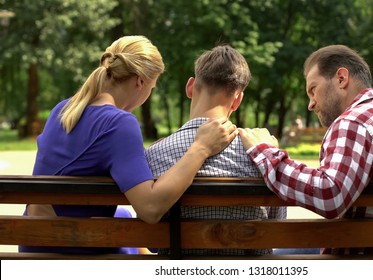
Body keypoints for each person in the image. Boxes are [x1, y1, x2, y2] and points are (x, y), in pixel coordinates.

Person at [20, 36, 238, 254]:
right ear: (140, 82)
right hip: (69, 250)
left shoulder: (63, 109)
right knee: (133, 230)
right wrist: (201, 147)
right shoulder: (119, 123)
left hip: (34, 239)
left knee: (124, 217)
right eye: (152, 87)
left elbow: (88, 155)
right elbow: (150, 209)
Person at [239, 44, 373, 255]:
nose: (310, 104)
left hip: (362, 262)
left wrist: (266, 152)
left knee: (269, 257)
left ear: (341, 78)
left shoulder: (354, 121)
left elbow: (330, 195)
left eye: (313, 90)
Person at [145, 45, 286, 256]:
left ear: (190, 87)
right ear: (238, 100)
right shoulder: (262, 155)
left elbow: (153, 242)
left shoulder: (155, 154)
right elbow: (274, 231)